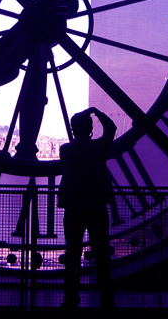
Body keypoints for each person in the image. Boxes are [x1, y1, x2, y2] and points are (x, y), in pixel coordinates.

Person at [58, 107, 116, 309]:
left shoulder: (66, 150)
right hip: (97, 207)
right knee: (102, 255)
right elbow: (111, 129)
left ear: (73, 129)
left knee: (72, 255)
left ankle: (71, 300)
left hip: (73, 208)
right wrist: (96, 112)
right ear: (90, 128)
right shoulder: (98, 148)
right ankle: (107, 300)